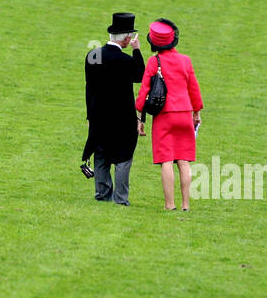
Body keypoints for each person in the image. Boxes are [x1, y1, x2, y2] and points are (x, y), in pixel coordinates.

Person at [136, 19, 202, 211]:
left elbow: (143, 92)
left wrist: (140, 117)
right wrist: (196, 113)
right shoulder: (186, 60)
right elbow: (194, 90)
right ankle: (186, 205)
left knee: (166, 160)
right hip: (184, 114)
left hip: (164, 116)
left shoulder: (153, 61)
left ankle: (169, 204)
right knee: (184, 160)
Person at [82, 12, 145, 205]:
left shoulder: (93, 55)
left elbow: (89, 86)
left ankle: (102, 194)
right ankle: (120, 198)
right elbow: (140, 75)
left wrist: (89, 115)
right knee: (123, 157)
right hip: (122, 117)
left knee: (101, 154)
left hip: (98, 115)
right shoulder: (126, 61)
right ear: (127, 38)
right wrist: (136, 51)